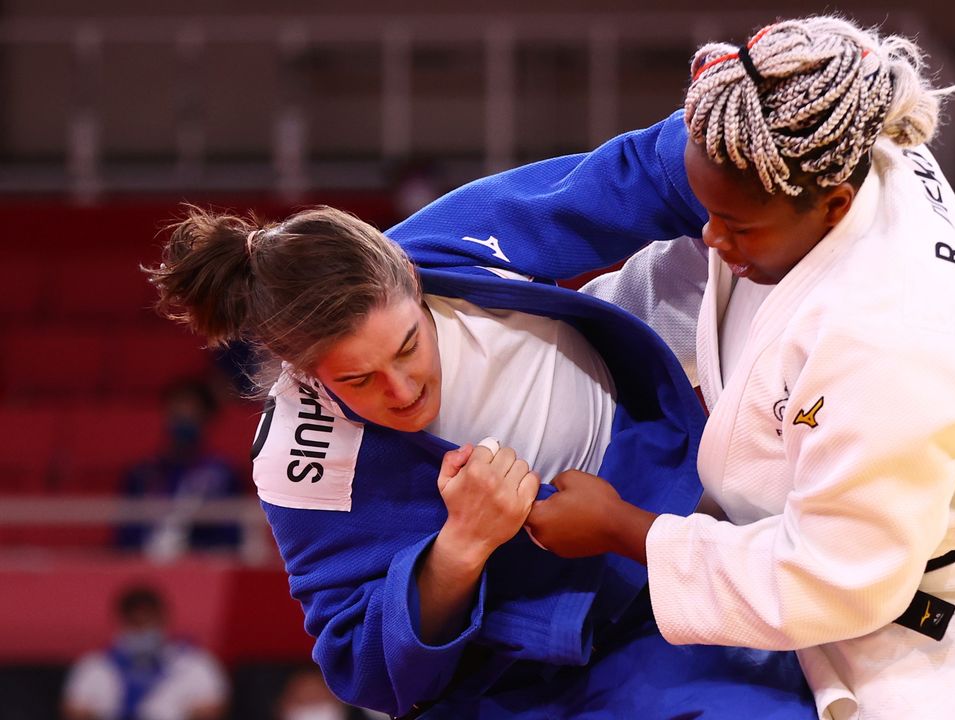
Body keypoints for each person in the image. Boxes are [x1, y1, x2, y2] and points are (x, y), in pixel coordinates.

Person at [396, 15, 955, 719]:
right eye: (706, 210)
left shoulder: (889, 334)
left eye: (738, 226)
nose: (713, 239)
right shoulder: (825, 122)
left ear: (834, 207)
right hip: (918, 574)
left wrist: (624, 530)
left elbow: (833, 578)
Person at [145, 203, 813, 719]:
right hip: (510, 684)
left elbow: (631, 174)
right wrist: (459, 548)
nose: (402, 391)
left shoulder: (446, 246)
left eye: (407, 347)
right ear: (308, 374)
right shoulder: (305, 459)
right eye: (358, 380)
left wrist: (749, 127)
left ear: (410, 280)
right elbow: (365, 667)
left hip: (653, 577)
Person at [117, 378, 242, 557]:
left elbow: (230, 537)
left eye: (191, 415)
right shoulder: (142, 473)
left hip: (200, 566)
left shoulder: (223, 474)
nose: (183, 421)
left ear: (206, 419)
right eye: (177, 414)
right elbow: (124, 535)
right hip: (143, 566)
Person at [62, 585, 227, 720]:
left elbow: (211, 712)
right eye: (135, 623)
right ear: (121, 623)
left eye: (149, 622)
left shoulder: (194, 663)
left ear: (164, 620)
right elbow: (74, 712)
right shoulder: (95, 665)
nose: (142, 630)